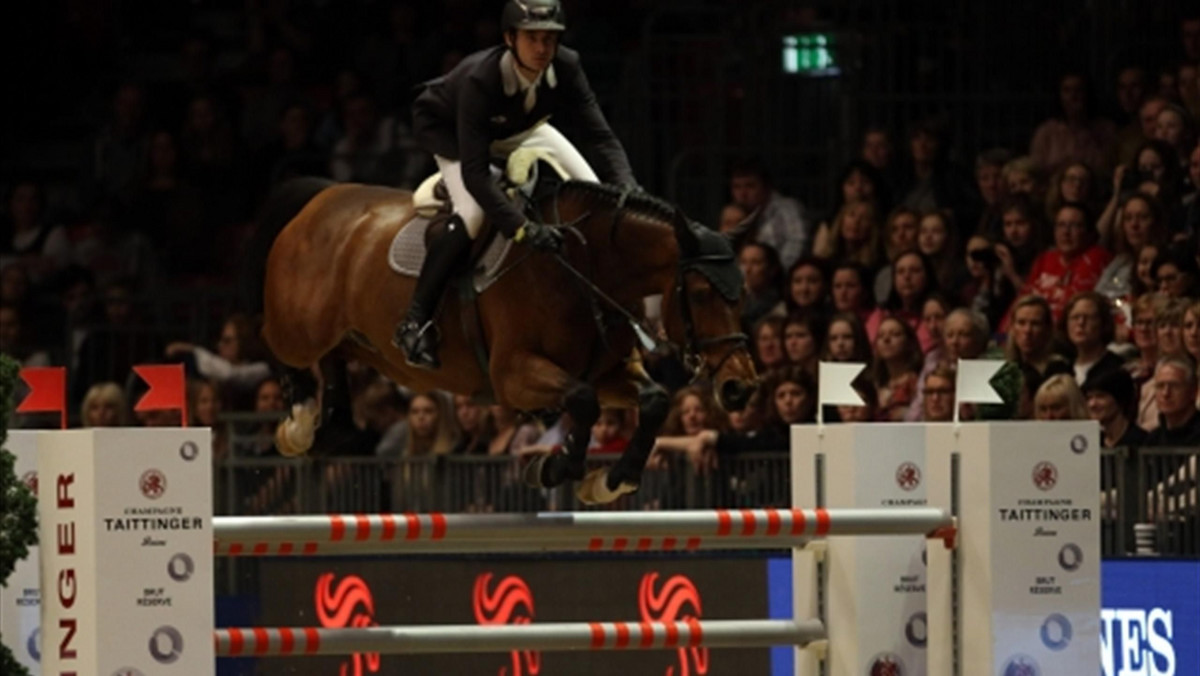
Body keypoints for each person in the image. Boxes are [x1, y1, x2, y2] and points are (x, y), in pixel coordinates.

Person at [393, 0, 638, 369]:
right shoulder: (481, 79)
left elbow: (600, 136)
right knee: (473, 213)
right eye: (532, 39)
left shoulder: (567, 65)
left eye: (549, 40)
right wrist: (522, 229)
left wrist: (628, 186)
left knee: (596, 192)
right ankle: (414, 319)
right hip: (450, 133)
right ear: (510, 38)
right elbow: (475, 174)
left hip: (519, 127)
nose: (542, 49)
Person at [1082, 368, 1147, 448]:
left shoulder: (1143, 442)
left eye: (1100, 396)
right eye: (1089, 398)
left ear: (1120, 399)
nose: (1092, 404)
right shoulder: (1091, 443)